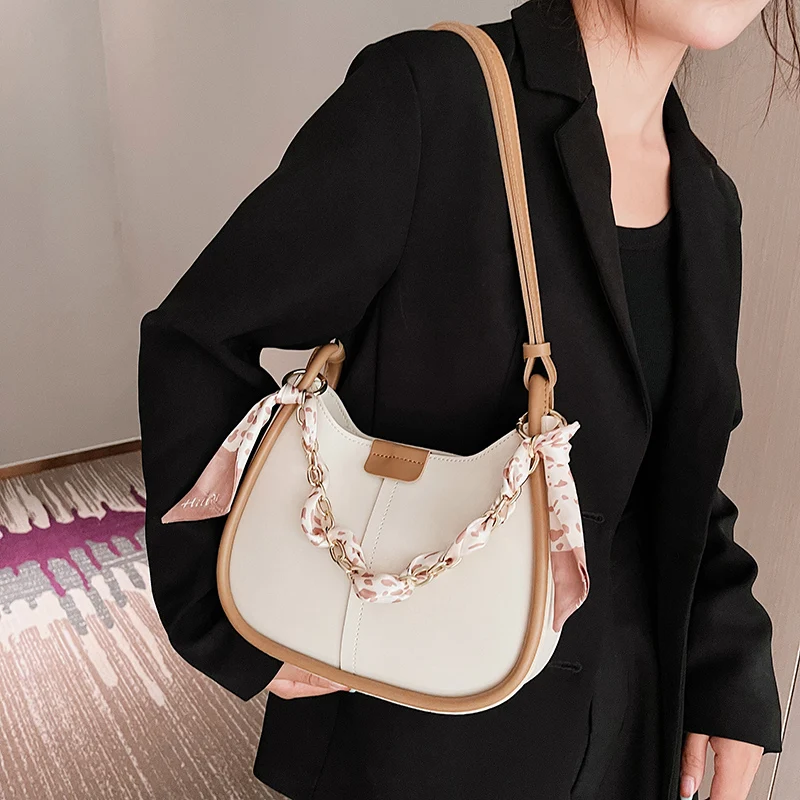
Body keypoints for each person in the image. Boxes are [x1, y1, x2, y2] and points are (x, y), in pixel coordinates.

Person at [137, 1, 792, 798]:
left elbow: (673, 473)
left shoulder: (710, 199)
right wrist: (228, 612)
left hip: (625, 730)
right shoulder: (435, 96)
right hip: (419, 734)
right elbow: (196, 339)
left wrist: (726, 666)